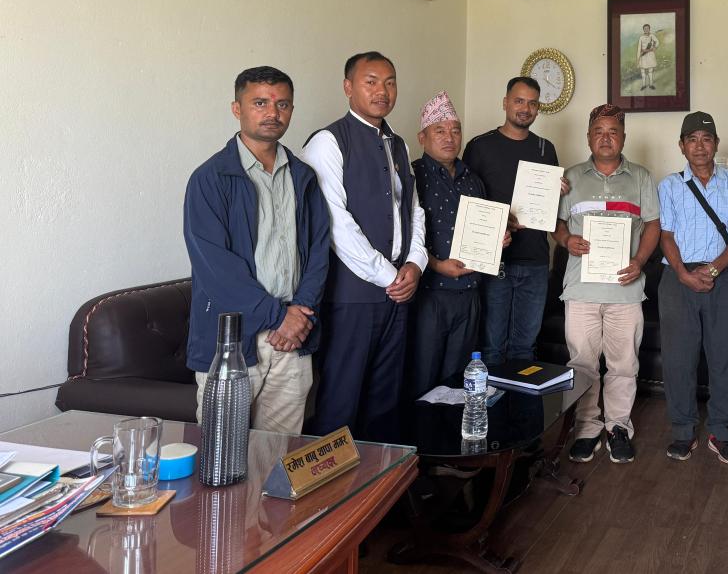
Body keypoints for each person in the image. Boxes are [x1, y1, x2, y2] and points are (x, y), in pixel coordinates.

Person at [183, 66, 330, 435]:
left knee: (279, 454)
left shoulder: (303, 176)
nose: (272, 113)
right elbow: (215, 268)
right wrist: (279, 317)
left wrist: (299, 316)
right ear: (237, 108)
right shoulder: (210, 178)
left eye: (283, 104)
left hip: (292, 339)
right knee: (222, 452)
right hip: (233, 339)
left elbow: (318, 253)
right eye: (260, 103)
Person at [301, 52, 427, 443]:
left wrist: (416, 263)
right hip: (352, 296)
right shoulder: (327, 141)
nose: (382, 91)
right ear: (348, 87)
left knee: (385, 402)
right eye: (370, 81)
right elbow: (334, 223)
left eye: (389, 82)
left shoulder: (398, 144)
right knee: (341, 401)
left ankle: (381, 480)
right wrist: (389, 275)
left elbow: (413, 209)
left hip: (398, 292)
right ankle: (333, 484)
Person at [554, 104, 660, 464]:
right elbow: (557, 224)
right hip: (581, 289)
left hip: (625, 289)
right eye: (598, 131)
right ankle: (586, 428)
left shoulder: (641, 177)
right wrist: (566, 240)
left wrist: (639, 261)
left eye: (613, 131)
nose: (605, 137)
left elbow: (653, 225)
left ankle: (618, 428)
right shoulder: (570, 177)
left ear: (623, 138)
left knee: (624, 364)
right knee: (581, 364)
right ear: (588, 137)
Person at [658, 111, 728, 464]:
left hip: (724, 276)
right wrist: (684, 274)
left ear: (716, 144)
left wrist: (714, 268)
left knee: (726, 357)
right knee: (678, 359)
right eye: (692, 140)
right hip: (678, 279)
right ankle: (683, 430)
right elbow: (666, 235)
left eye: (706, 139)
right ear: (681, 146)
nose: (699, 146)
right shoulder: (669, 186)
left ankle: (721, 431)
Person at [407, 92, 505, 400]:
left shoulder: (472, 179)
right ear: (422, 137)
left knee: (459, 383)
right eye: (440, 131)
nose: (449, 138)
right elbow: (403, 236)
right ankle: (421, 432)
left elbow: (484, 230)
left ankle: (451, 431)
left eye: (455, 131)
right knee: (422, 379)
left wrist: (498, 239)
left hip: (470, 294)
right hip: (430, 294)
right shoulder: (411, 176)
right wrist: (437, 265)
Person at [464, 77, 566, 366]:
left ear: (538, 109)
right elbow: (467, 203)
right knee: (492, 347)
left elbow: (551, 207)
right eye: (519, 101)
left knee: (525, 348)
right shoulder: (480, 146)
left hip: (535, 262)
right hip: (495, 261)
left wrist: (558, 191)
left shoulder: (546, 148)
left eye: (532, 103)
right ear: (505, 103)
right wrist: (498, 221)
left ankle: (519, 398)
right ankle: (491, 398)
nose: (525, 108)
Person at [636, 23, 659, 91]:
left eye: (647, 28)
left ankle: (651, 84)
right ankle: (643, 85)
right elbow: (639, 48)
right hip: (643, 55)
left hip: (650, 55)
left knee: (650, 71)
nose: (646, 30)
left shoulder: (652, 36)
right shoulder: (641, 37)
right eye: (645, 28)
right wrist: (638, 58)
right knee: (642, 71)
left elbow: (657, 42)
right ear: (643, 29)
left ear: (649, 29)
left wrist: (654, 47)